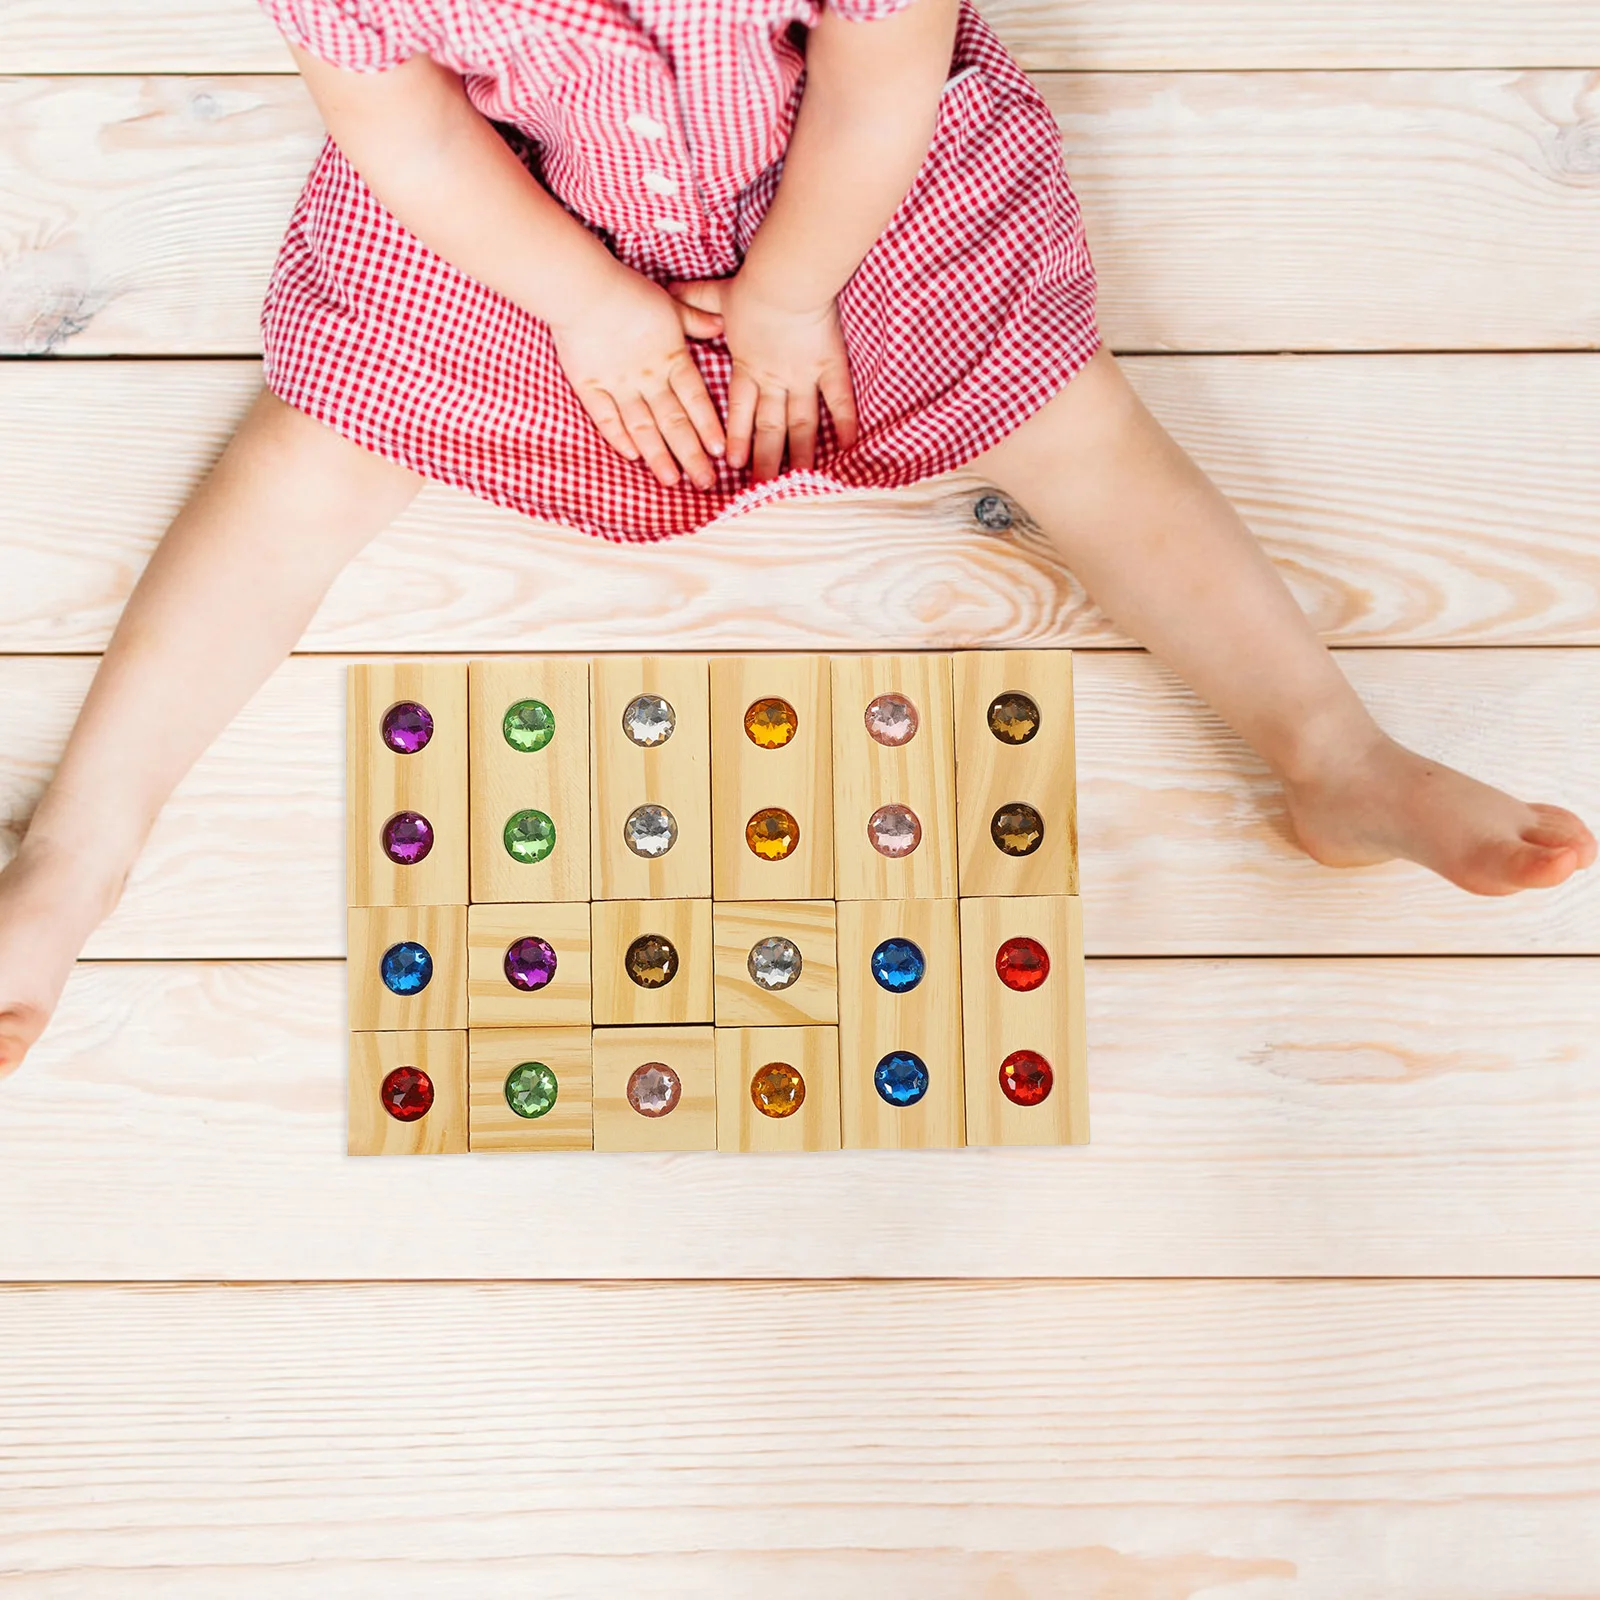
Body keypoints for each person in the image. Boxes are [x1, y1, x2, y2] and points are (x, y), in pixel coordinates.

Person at [0, 0, 1591, 1078]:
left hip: (841, 193)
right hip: (532, 212)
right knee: (311, 445)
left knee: (1068, 415)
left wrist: (784, 290)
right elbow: (407, 138)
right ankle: (79, 852)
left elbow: (876, 79)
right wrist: (588, 307)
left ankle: (1328, 752)